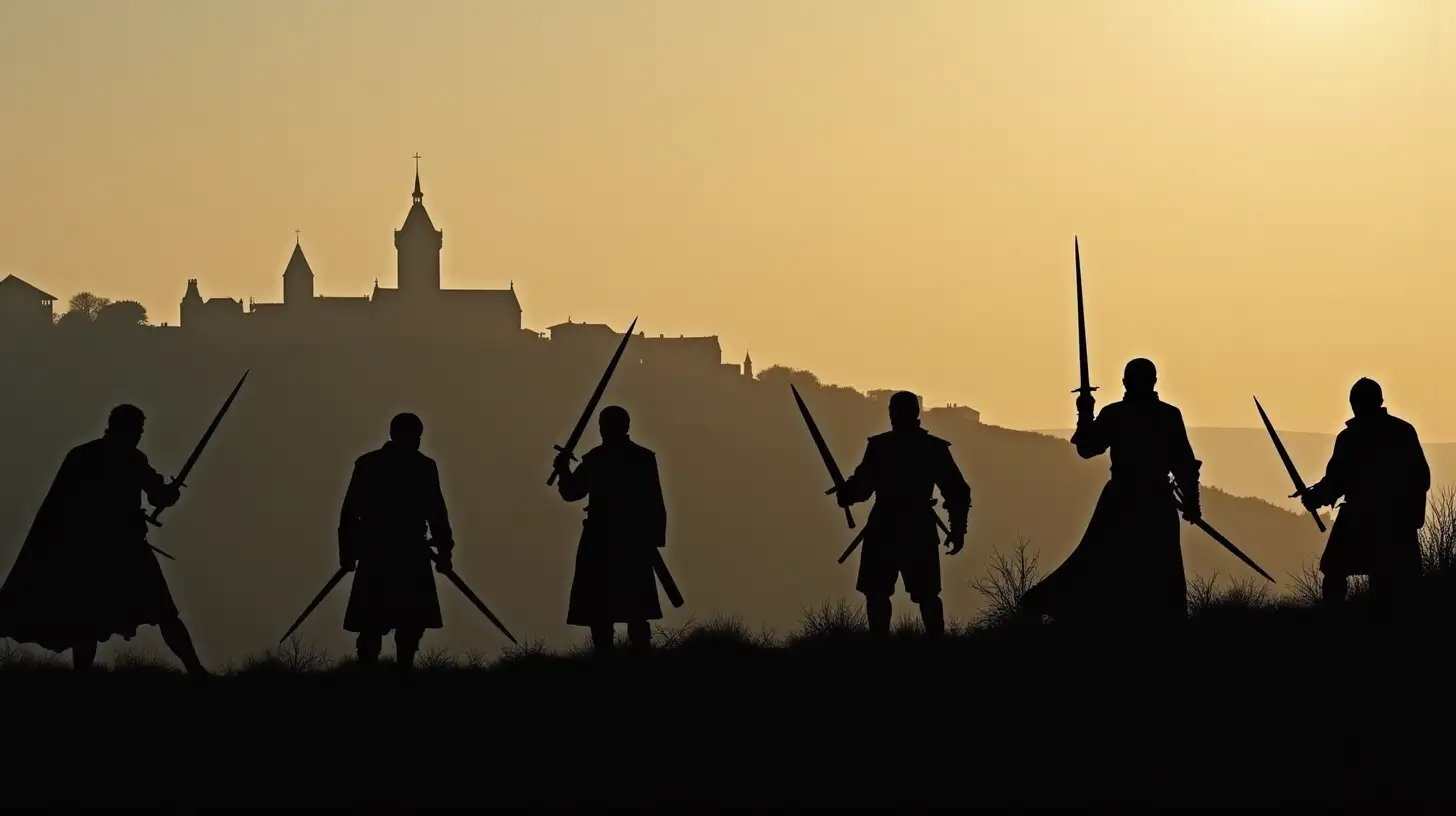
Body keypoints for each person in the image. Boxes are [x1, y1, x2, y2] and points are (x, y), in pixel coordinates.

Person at [0, 404, 209, 677]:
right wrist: (167, 495)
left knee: (103, 619)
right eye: (137, 430)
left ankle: (194, 671)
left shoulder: (85, 456)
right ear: (127, 429)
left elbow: (156, 495)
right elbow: (157, 496)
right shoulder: (124, 459)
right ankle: (194, 671)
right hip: (112, 552)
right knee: (146, 614)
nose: (138, 436)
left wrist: (166, 495)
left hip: (104, 551)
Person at [1020, 358, 1201, 630]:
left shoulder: (1117, 414)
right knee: (1148, 568)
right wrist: (1192, 503)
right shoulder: (1166, 415)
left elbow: (1087, 448)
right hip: (1150, 502)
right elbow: (1184, 466)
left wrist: (1085, 414)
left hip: (1125, 500)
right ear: (1154, 381)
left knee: (1111, 562)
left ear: (1126, 382)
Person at [834, 391, 971, 638]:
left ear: (894, 413)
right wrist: (957, 529)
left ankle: (885, 646)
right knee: (913, 594)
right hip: (916, 527)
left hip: (886, 526)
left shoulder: (881, 447)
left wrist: (847, 493)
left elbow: (862, 489)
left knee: (887, 594)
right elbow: (957, 492)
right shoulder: (930, 448)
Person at [1294, 378, 1430, 620]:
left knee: (1335, 571)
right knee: (1390, 585)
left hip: (1362, 519)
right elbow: (1422, 478)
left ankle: (1338, 624)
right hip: (1399, 522)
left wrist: (1316, 498)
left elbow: (1336, 481)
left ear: (1355, 404)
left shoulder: (1351, 438)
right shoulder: (1403, 431)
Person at [338, 412, 454, 671]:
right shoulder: (374, 465)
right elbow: (350, 512)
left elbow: (436, 513)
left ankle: (402, 670)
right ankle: (375, 669)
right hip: (384, 552)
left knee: (408, 621)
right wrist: (347, 552)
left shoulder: (415, 466)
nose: (417, 441)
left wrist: (444, 551)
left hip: (401, 550)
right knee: (374, 620)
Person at [554, 405, 668, 654]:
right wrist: (655, 538)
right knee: (624, 610)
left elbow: (572, 492)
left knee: (613, 611)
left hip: (605, 541)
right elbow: (656, 503)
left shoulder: (597, 460)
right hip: (628, 542)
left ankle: (617, 657)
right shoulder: (641, 458)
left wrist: (564, 471)